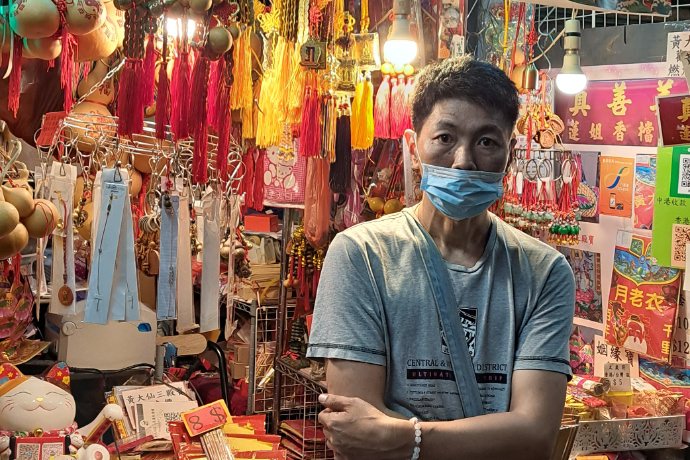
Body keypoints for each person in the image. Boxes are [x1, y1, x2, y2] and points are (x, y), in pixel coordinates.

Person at [306, 56, 575, 460]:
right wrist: (494, 436)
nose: (464, 160)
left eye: (486, 141)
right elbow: (357, 435)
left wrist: (406, 438)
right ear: (415, 147)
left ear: (510, 154)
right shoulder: (360, 255)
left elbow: (535, 434)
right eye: (445, 138)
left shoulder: (544, 272)